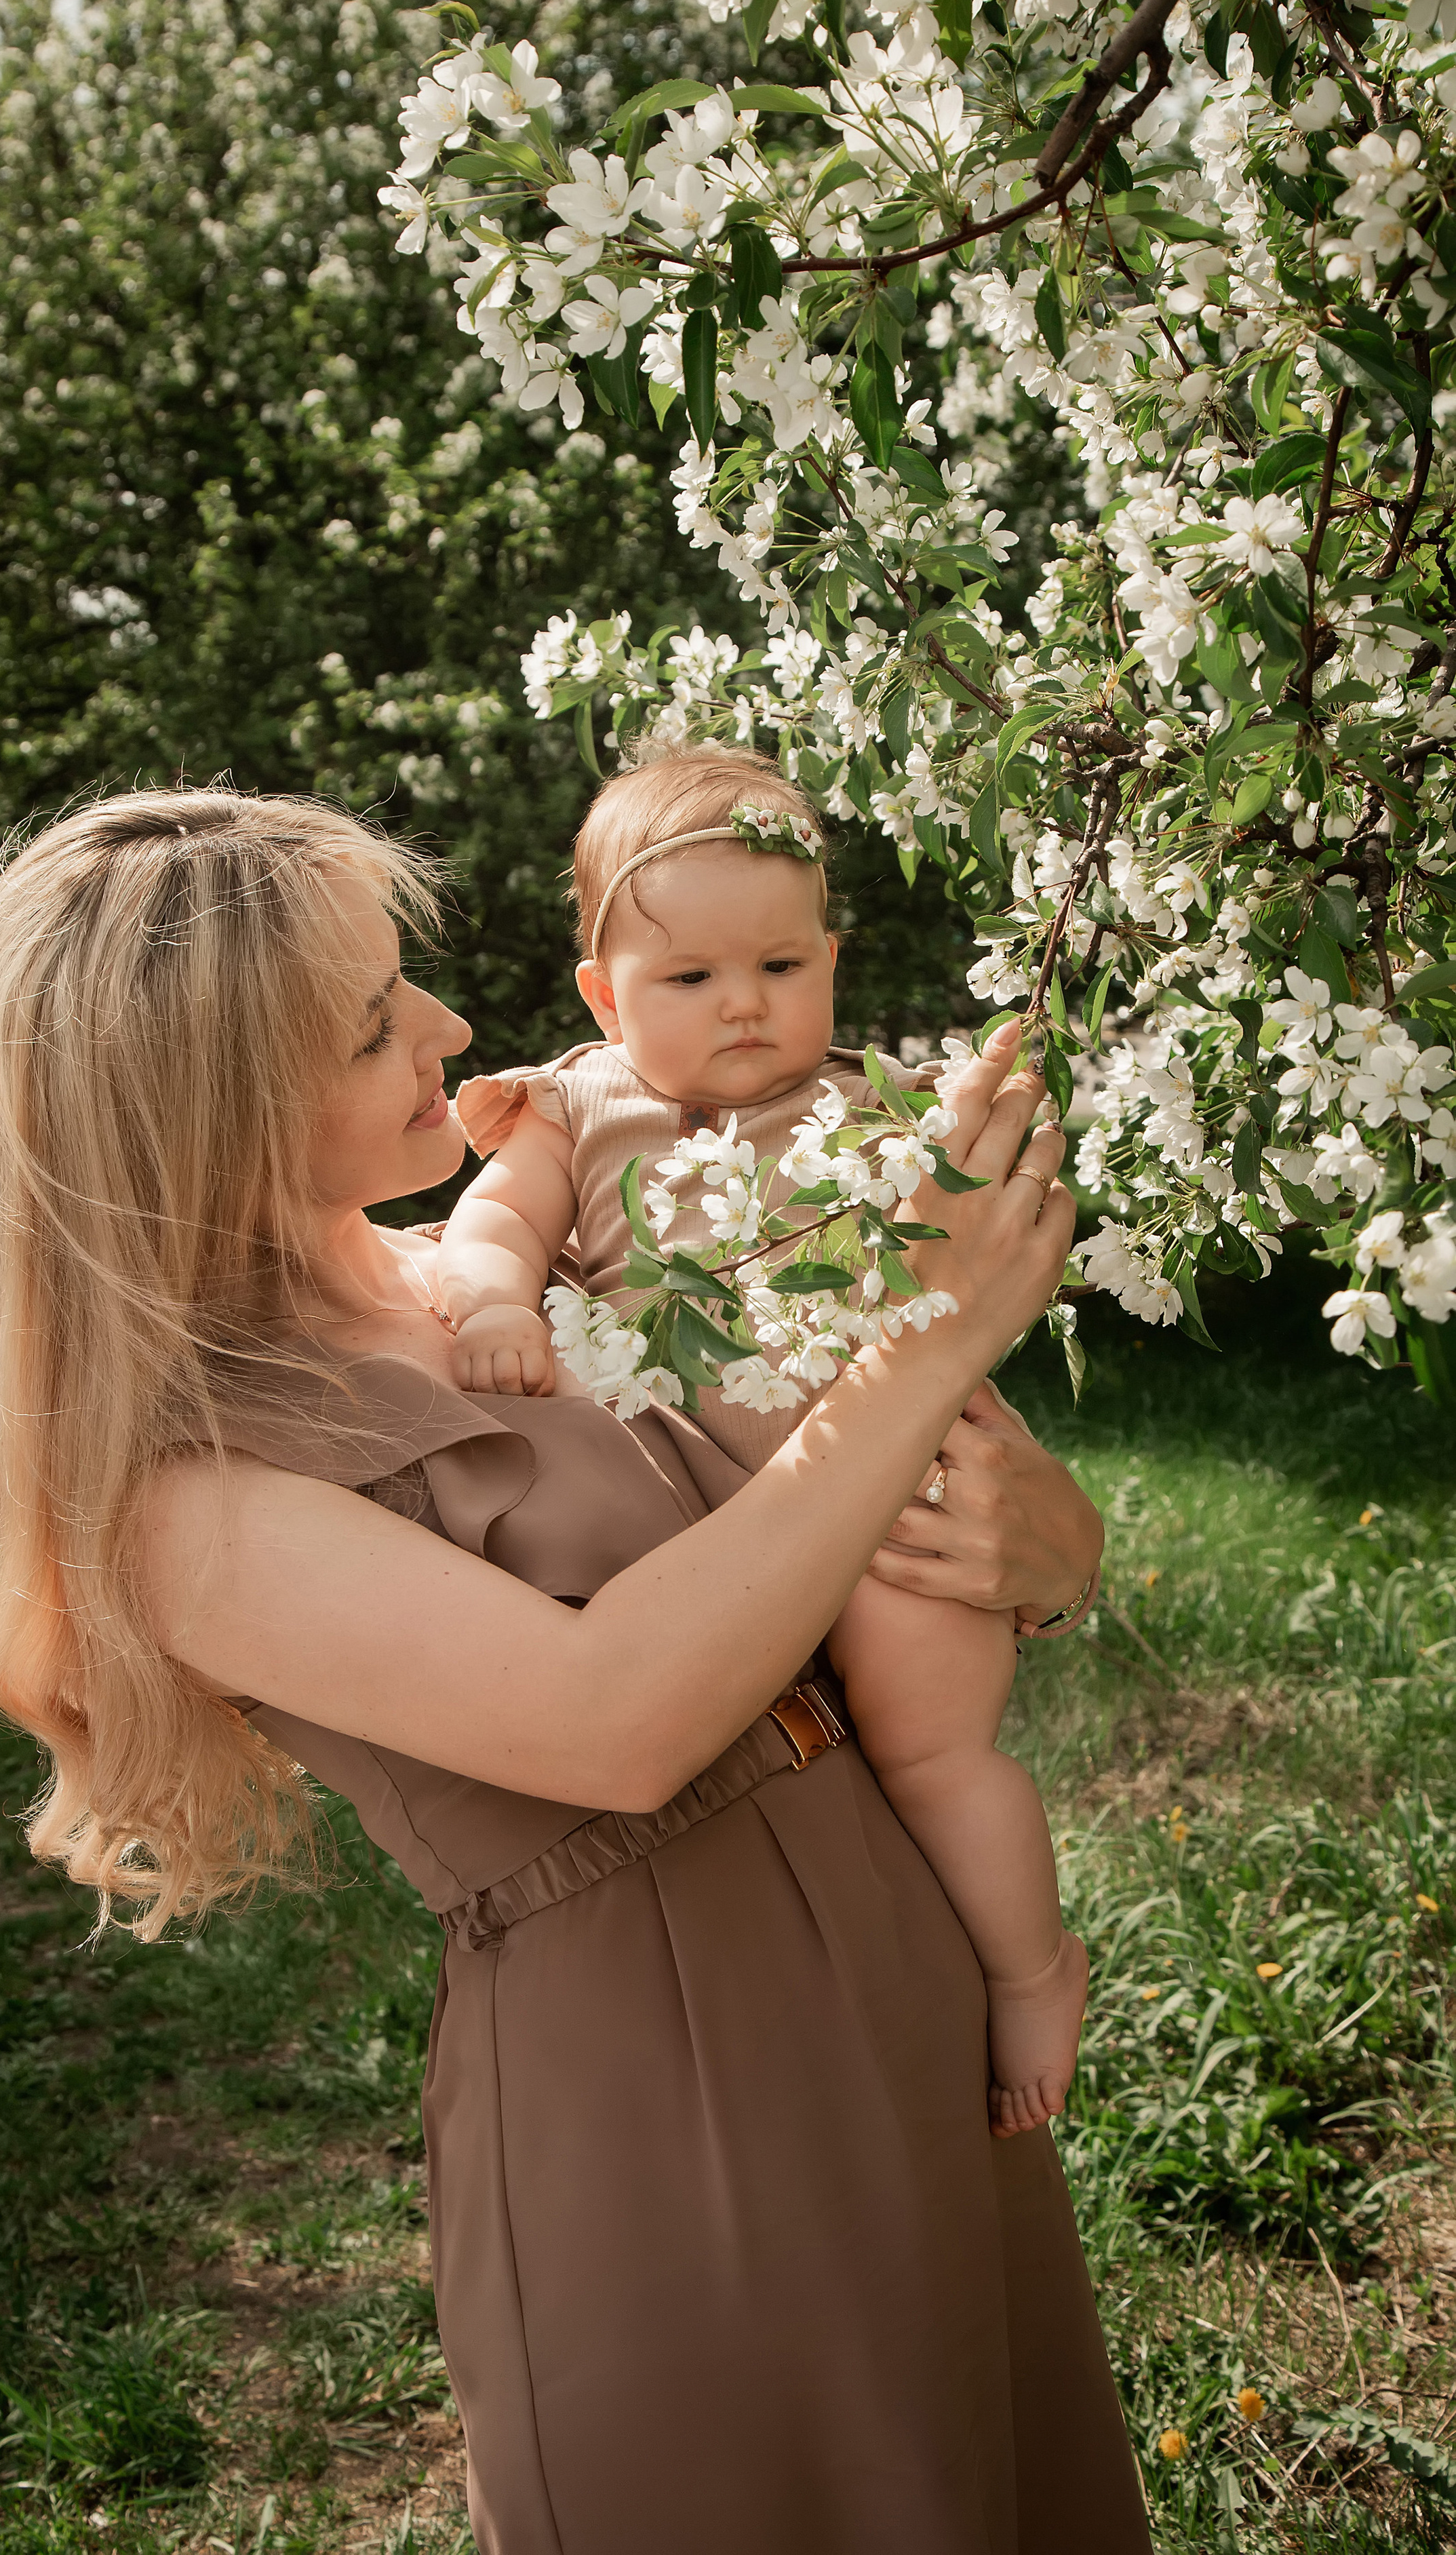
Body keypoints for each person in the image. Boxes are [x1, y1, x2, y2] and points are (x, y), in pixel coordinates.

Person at [0, 787, 1147, 2555]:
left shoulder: (491, 1271)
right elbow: (618, 1720)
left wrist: (1051, 1557)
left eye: (405, 987)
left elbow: (840, 1500)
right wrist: (935, 1327)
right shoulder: (186, 1497)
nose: (445, 1027)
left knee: (987, 2481)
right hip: (669, 2093)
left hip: (900, 1971)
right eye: (372, 1026)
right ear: (204, 1112)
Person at [439, 746, 1088, 2137]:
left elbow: (976, 1240)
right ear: (604, 998)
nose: (742, 1004)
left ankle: (1031, 1969)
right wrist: (496, 1301)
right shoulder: (575, 1105)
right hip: (707, 1532)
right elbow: (490, 1222)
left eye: (780, 968)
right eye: (687, 981)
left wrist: (980, 1133)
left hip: (896, 1501)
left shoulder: (872, 1112)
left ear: (831, 964)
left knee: (933, 1753)